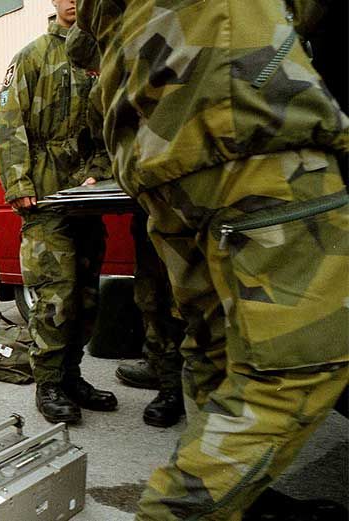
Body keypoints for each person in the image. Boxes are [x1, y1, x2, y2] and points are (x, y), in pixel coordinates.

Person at [75, 0, 349, 519]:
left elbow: (85, 42)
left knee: (215, 350)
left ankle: (240, 500)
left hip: (161, 142)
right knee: (295, 367)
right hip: (245, 120)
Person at [0, 0, 116, 425]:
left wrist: (99, 174)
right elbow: (9, 124)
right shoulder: (31, 56)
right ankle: (47, 382)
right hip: (45, 192)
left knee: (86, 290)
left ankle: (72, 375)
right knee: (55, 289)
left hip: (88, 192)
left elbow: (109, 126)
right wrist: (19, 183)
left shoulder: (102, 54)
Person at [65, 23, 185, 428]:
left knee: (202, 302)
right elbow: (104, 145)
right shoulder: (107, 93)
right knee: (153, 296)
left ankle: (213, 398)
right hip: (148, 209)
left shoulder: (162, 58)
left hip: (193, 200)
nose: (97, 72)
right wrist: (98, 174)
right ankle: (170, 387)